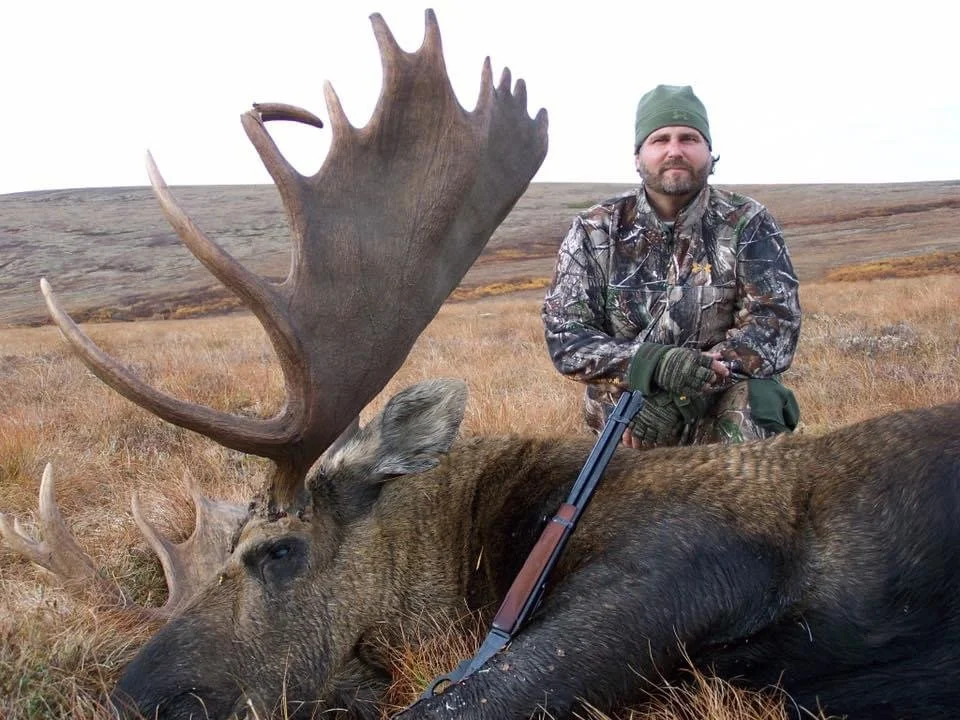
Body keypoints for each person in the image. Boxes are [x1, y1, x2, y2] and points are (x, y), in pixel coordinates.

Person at [542, 84, 801, 449]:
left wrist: (686, 393)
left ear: (709, 152)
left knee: (761, 402)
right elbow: (566, 337)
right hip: (632, 407)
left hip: (722, 400)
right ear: (638, 156)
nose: (675, 151)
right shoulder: (593, 229)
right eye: (660, 139)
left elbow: (776, 325)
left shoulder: (748, 222)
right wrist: (652, 367)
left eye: (689, 139)